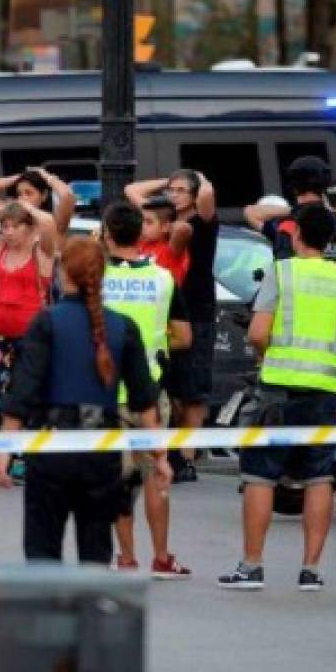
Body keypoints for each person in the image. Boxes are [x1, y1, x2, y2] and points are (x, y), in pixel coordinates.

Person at [0, 237, 170, 565]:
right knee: (96, 550)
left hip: (51, 447)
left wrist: (4, 450)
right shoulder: (123, 327)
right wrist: (160, 456)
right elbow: (145, 399)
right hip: (101, 452)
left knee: (43, 549)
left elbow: (23, 390)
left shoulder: (47, 322)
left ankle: (48, 611)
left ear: (64, 273)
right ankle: (92, 613)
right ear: (101, 275)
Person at [218, 203, 336, 592]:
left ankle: (252, 565)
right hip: (325, 391)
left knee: (260, 476)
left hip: (277, 387)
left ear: (296, 235)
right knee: (319, 477)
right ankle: (311, 569)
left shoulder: (282, 272)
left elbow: (258, 332)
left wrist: (268, 359)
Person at [101, 202, 193, 579]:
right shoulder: (164, 279)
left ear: (107, 235)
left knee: (119, 480)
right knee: (157, 475)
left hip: (106, 391)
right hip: (150, 391)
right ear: (141, 235)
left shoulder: (97, 279)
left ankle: (126, 557)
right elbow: (184, 336)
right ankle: (161, 555)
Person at [126, 169, 218, 483]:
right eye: (172, 189)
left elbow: (201, 204)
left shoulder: (196, 224)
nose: (175, 194)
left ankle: (186, 458)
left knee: (192, 391)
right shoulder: (158, 226)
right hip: (165, 317)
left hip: (196, 312)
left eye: (182, 190)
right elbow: (132, 190)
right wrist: (165, 185)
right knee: (171, 389)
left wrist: (201, 178)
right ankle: (169, 451)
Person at [0, 201, 56, 433]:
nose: (9, 232)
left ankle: (25, 454)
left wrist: (25, 206)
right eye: (4, 226)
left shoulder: (42, 252)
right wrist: (1, 208)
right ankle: (3, 443)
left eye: (15, 226)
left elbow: (48, 222)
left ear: (30, 227)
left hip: (31, 336)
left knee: (29, 394)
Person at [243, 155, 336, 271]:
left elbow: (250, 212)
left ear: (294, 187)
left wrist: (295, 208)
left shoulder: (285, 225)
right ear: (325, 185)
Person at [0, 167, 77, 237]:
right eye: (19, 194)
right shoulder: (12, 212)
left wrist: (45, 175)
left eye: (29, 193)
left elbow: (67, 195)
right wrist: (19, 177)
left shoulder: (53, 223)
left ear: (44, 195)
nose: (23, 198)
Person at [139, 195, 191, 285]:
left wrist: (170, 226)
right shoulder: (140, 244)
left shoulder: (171, 250)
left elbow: (183, 228)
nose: (142, 226)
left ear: (166, 227)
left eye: (149, 222)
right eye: (142, 221)